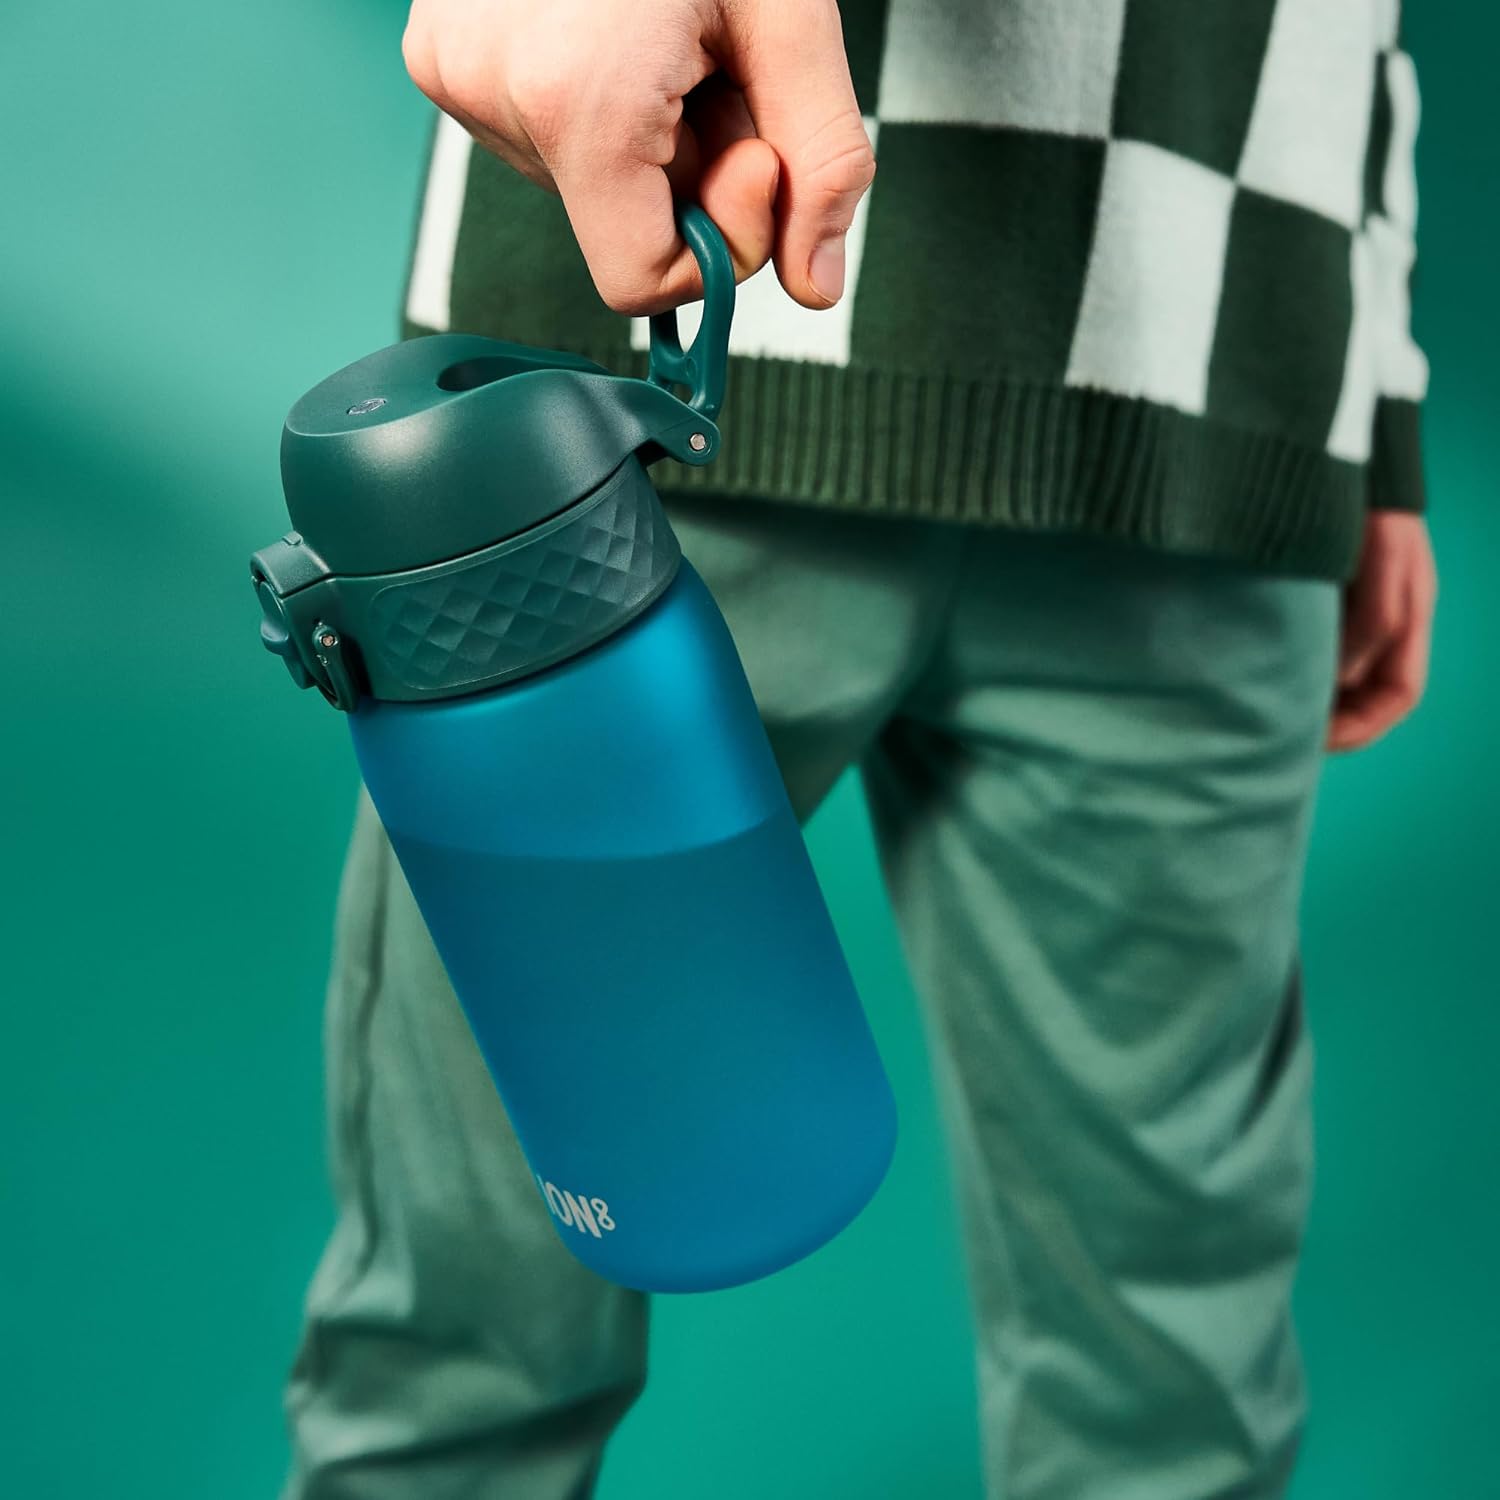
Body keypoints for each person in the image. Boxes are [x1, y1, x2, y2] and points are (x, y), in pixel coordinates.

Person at [281, 2, 1436, 1496]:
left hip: (1221, 401)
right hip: (590, 434)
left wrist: (1374, 396)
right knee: (458, 1350)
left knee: (1171, 1401)